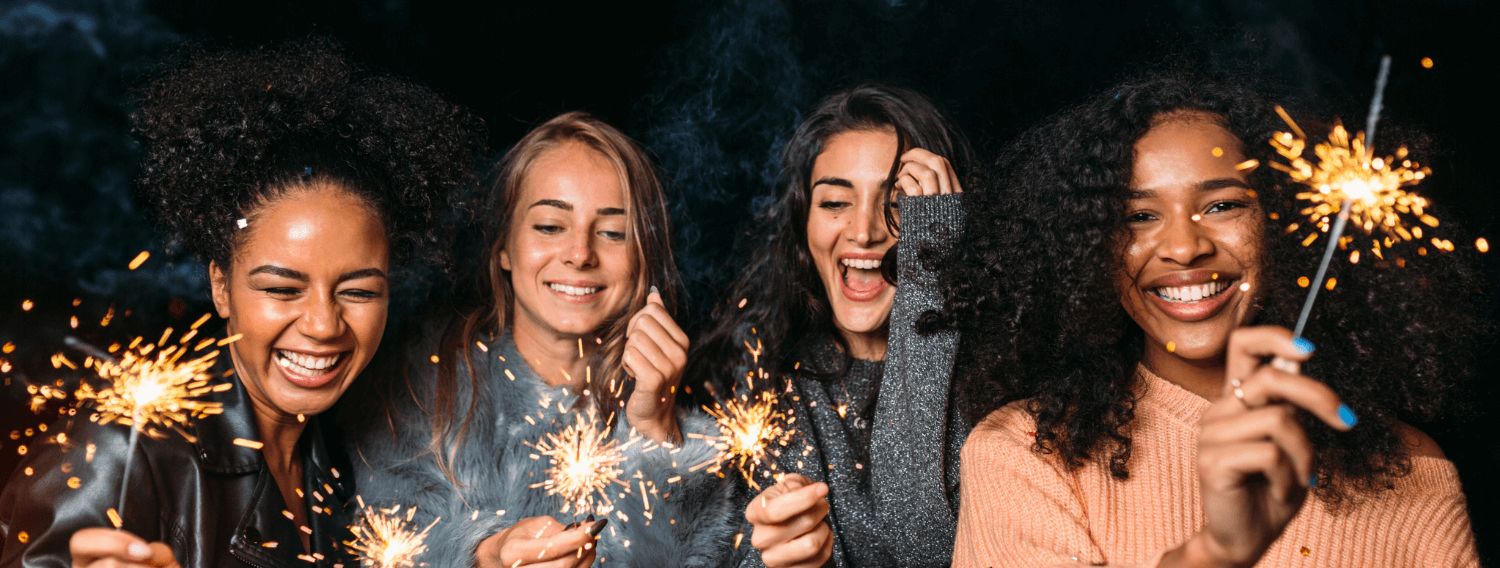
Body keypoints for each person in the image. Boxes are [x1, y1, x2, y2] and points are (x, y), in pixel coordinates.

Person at [934, 68, 1483, 567]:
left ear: (1284, 223)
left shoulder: (1413, 472)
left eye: (1223, 205)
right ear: (1088, 250)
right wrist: (1220, 553)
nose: (1183, 247)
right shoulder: (1027, 451)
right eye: (1139, 216)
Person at [0, 38, 482, 568]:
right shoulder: (124, 448)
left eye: (359, 291)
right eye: (281, 289)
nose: (324, 325)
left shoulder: (344, 464)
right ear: (221, 287)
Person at [347, 111, 738, 568]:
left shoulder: (707, 422)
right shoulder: (418, 392)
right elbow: (388, 545)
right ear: (504, 248)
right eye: (550, 226)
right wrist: (484, 554)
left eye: (613, 232)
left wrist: (655, 432)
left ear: (643, 262)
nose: (580, 254)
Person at [689, 84, 973, 568]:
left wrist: (931, 278)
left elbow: (918, 542)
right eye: (835, 202)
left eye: (900, 205)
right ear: (804, 221)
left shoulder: (999, 387)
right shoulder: (760, 384)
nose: (864, 231)